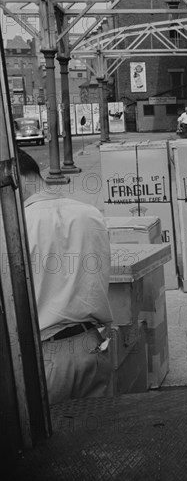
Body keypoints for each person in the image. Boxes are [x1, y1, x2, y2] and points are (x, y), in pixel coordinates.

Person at [17, 148, 113, 405]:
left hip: (46, 357)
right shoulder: (89, 213)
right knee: (96, 438)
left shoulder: (15, 228)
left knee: (52, 443)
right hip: (93, 348)